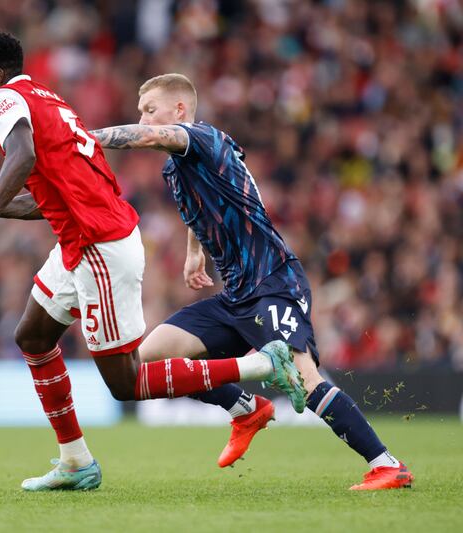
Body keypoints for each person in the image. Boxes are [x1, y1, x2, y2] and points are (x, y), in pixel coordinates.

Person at [0, 30, 306, 492]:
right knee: (32, 335)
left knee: (126, 383)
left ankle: (261, 369)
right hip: (81, 241)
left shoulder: (3, 101)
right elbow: (52, 197)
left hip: (99, 247)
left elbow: (23, 155)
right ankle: (75, 461)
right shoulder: (46, 99)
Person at [86, 73, 413, 491]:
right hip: (235, 296)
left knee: (303, 378)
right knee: (144, 361)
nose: (144, 118)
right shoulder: (175, 169)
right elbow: (199, 206)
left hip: (273, 282)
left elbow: (150, 138)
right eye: (141, 112)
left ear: (180, 110)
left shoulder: (201, 137)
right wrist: (194, 250)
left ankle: (387, 464)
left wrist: (80, 137)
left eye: (150, 110)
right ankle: (245, 408)